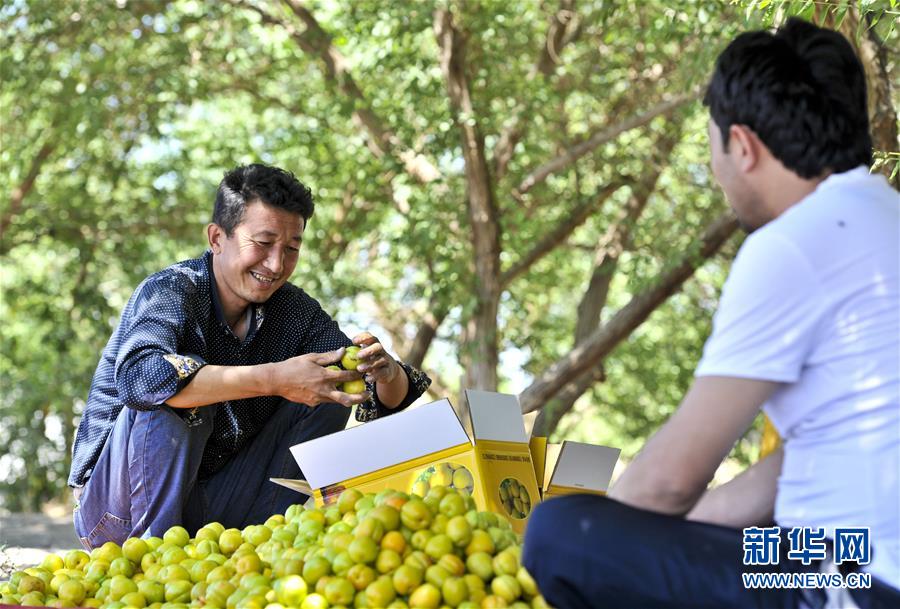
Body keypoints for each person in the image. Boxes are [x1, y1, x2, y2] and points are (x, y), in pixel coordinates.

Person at [523, 18, 899, 609]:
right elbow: (789, 470)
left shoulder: (795, 243)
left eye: (714, 148)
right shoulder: (882, 219)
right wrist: (672, 533)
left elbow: (670, 483)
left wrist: (596, 541)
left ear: (743, 146)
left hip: (848, 580)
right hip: (831, 555)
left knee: (560, 534)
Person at [68, 163, 431, 548]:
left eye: (291, 249)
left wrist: (387, 373)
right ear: (217, 238)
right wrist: (275, 379)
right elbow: (142, 379)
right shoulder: (172, 290)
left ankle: (257, 551)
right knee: (177, 384)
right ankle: (150, 561)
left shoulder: (293, 310)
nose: (276, 265)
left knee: (327, 385)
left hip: (216, 508)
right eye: (262, 243)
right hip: (116, 515)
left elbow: (382, 396)